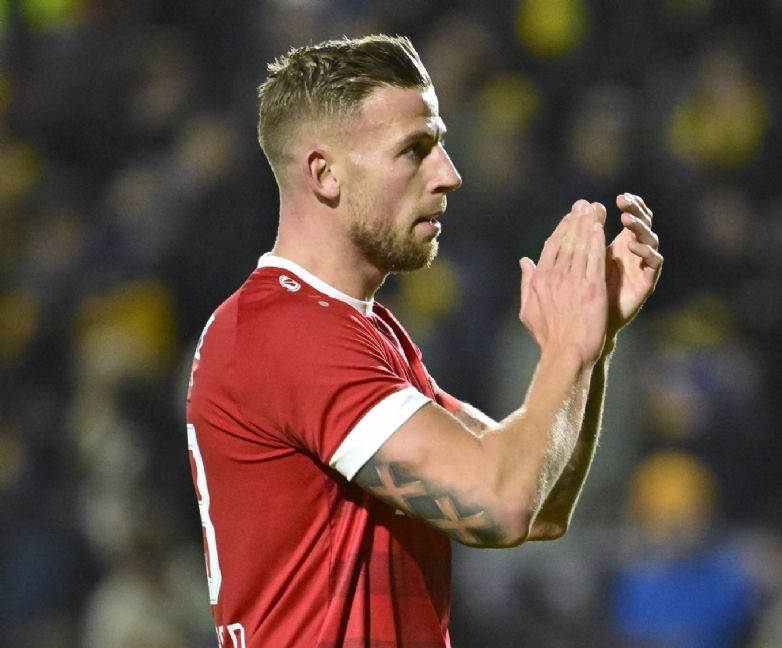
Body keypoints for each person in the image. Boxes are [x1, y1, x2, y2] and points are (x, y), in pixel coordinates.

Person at [183, 34, 662, 647]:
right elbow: (501, 502)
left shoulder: (365, 332)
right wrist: (568, 345)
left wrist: (594, 342)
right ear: (324, 174)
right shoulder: (283, 332)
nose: (449, 175)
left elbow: (540, 506)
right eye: (414, 150)